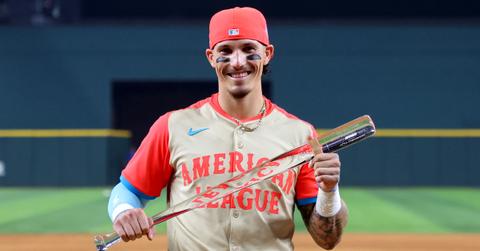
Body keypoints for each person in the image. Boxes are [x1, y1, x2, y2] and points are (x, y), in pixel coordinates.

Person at [108, 6, 348, 250]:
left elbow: (327, 239)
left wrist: (329, 192)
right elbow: (128, 191)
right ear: (211, 57)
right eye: (226, 51)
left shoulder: (300, 135)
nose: (237, 62)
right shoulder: (174, 126)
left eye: (248, 50)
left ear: (268, 53)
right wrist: (124, 210)